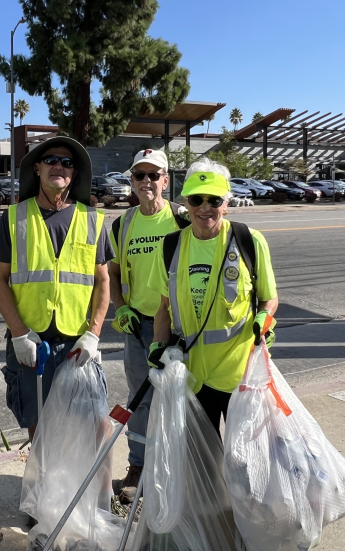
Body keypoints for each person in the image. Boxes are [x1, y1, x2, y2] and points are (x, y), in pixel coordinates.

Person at [0, 137, 114, 440]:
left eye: (67, 162)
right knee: (40, 430)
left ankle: (84, 488)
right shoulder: (14, 217)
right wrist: (19, 333)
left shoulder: (91, 219)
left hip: (77, 344)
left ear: (74, 173)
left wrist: (94, 334)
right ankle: (45, 487)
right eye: (52, 160)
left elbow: (103, 281)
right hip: (32, 343)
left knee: (92, 427)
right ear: (37, 169)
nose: (59, 166)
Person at [147, 159, 279, 435]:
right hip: (192, 376)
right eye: (197, 199)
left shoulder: (249, 241)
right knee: (203, 464)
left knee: (242, 462)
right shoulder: (170, 246)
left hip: (239, 376)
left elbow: (269, 298)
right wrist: (157, 346)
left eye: (214, 200)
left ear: (226, 204)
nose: (205, 208)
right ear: (186, 202)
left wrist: (265, 317)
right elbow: (163, 307)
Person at [108, 149, 189, 502]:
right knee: (139, 401)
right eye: (139, 175)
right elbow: (111, 273)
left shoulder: (183, 219)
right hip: (138, 327)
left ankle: (178, 467)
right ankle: (138, 466)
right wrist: (121, 307)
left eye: (153, 176)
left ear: (166, 181)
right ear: (132, 182)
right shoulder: (122, 224)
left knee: (181, 399)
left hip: (181, 328)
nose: (146, 182)